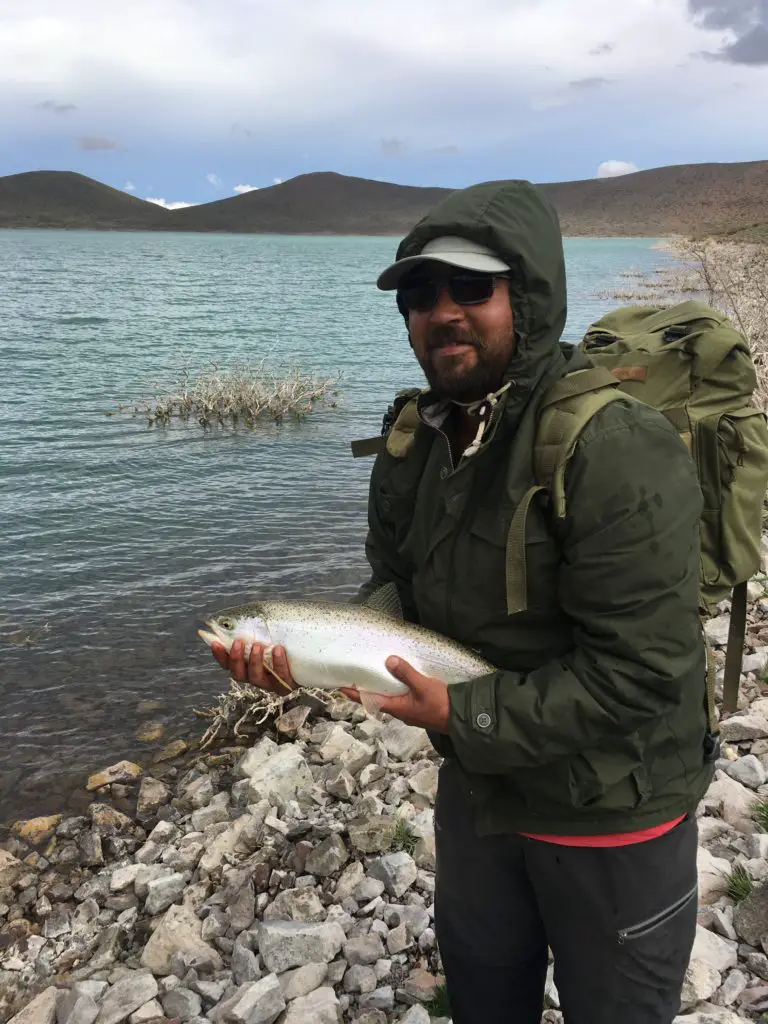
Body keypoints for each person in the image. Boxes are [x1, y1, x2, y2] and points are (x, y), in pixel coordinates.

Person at [211, 179, 714, 1024]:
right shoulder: (413, 438)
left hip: (612, 814)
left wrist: (461, 710)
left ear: (529, 292)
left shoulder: (617, 446)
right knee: (483, 999)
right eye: (419, 293)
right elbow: (394, 587)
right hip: (479, 797)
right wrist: (309, 662)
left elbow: (643, 673)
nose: (442, 312)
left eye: (471, 287)